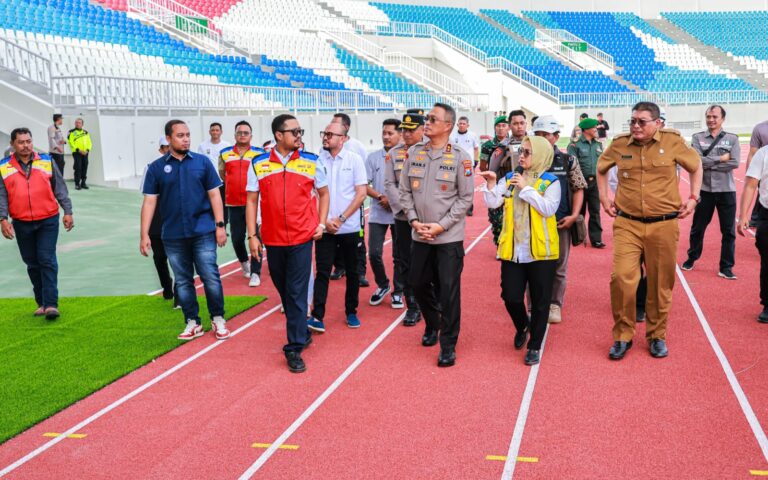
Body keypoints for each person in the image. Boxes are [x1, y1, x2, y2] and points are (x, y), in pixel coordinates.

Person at [597, 101, 702, 360]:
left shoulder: (673, 142)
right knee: (621, 278)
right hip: (627, 223)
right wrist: (603, 197)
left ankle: (656, 335)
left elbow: (696, 166)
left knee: (659, 283)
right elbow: (601, 169)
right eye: (633, 120)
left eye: (642, 121)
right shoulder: (620, 144)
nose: (635, 125)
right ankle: (623, 335)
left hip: (664, 224)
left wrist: (693, 197)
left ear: (658, 123)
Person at [246, 114, 329, 373]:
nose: (299, 136)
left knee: (295, 292)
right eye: (294, 131)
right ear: (278, 135)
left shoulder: (311, 162)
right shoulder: (259, 164)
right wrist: (252, 236)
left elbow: (324, 193)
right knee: (283, 289)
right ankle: (301, 330)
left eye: (300, 131)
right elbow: (251, 200)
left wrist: (322, 223)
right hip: (272, 239)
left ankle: (293, 348)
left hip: (303, 238)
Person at [140, 120, 230, 342]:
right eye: (180, 135)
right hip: (172, 235)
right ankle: (193, 321)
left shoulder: (202, 163)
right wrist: (144, 235)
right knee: (182, 281)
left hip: (203, 232)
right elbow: (149, 202)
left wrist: (220, 225)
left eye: (188, 134)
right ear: (168, 139)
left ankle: (218, 318)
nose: (186, 139)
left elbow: (215, 195)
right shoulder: (156, 168)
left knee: (210, 276)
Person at [399, 102, 474, 367]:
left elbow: (465, 199)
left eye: (432, 119)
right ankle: (433, 322)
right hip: (419, 234)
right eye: (427, 118)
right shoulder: (414, 153)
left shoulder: (462, 157)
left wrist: (441, 226)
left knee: (449, 291)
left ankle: (448, 344)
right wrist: (414, 220)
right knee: (417, 283)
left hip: (447, 238)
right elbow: (404, 191)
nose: (426, 122)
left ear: (448, 126)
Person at [478, 136, 561, 365]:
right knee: (511, 296)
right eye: (521, 151)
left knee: (540, 301)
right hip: (513, 249)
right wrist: (492, 184)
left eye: (527, 152)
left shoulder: (550, 182)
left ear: (542, 155)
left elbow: (548, 209)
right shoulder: (511, 178)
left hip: (541, 252)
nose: (521, 156)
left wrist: (526, 189)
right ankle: (522, 324)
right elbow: (494, 202)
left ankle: (534, 345)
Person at [0, 128, 74, 320]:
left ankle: (51, 304)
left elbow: (60, 188)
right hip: (21, 222)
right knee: (32, 263)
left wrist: (68, 211)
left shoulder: (46, 161)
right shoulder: (3, 166)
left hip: (48, 219)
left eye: (29, 141)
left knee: (46, 259)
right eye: (21, 142)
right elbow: (2, 196)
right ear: (13, 144)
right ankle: (41, 302)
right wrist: (3, 219)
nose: (26, 146)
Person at [307, 121, 367, 333]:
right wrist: (323, 222)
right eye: (324, 133)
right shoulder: (314, 160)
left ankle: (351, 311)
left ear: (344, 138)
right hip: (324, 228)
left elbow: (361, 193)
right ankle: (317, 315)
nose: (326, 137)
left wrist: (340, 219)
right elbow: (311, 194)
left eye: (331, 134)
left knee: (352, 272)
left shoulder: (355, 160)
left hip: (349, 227)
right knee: (322, 272)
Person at [532, 116, 587, 324]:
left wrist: (573, 216)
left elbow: (578, 187)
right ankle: (534, 304)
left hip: (560, 223)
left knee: (559, 268)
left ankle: (555, 304)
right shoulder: (526, 158)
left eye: (546, 135)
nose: (542, 139)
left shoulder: (567, 160)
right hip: (532, 223)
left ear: (556, 137)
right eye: (538, 135)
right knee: (532, 265)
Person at [682, 105, 740, 280]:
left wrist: (708, 162)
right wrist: (721, 158)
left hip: (726, 191)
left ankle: (726, 267)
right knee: (698, 228)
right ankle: (692, 257)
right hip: (704, 190)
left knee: (728, 231)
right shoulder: (697, 138)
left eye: (715, 117)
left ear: (722, 119)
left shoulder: (732, 139)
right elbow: (696, 161)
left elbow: (735, 162)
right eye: (708, 116)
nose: (711, 120)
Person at [384, 110, 425, 327]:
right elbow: (390, 183)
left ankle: (430, 301)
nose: (406, 134)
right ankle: (412, 306)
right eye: (404, 130)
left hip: (426, 217)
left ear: (422, 130)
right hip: (402, 217)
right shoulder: (393, 154)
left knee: (428, 262)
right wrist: (404, 209)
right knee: (405, 262)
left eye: (411, 130)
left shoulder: (430, 151)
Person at [218, 121, 265, 287]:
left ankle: (255, 272)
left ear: (251, 136)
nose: (243, 135)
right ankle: (244, 262)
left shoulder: (259, 153)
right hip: (233, 203)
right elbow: (222, 173)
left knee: (256, 236)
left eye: (246, 133)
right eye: (240, 132)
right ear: (235, 135)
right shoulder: (224, 153)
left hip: (255, 203)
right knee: (237, 239)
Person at [366, 119, 402, 307]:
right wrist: (381, 197)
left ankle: (399, 290)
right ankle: (383, 284)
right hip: (378, 213)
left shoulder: (408, 156)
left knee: (400, 256)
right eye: (384, 133)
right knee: (374, 253)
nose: (386, 136)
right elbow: (364, 185)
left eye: (390, 133)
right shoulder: (372, 158)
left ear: (400, 135)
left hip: (400, 214)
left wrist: (394, 200)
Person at [330, 113, 368, 286]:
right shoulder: (325, 150)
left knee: (358, 239)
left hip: (353, 206)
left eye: (335, 124)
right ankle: (339, 267)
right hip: (332, 204)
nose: (331, 127)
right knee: (333, 237)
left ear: (345, 128)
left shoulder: (357, 147)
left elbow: (364, 176)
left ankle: (360, 272)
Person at [486, 110, 527, 245]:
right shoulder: (502, 147)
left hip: (529, 191)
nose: (519, 126)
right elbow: (492, 172)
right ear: (510, 125)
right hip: (507, 193)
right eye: (515, 123)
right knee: (505, 228)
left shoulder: (535, 143)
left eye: (522, 123)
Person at [738, 144, 768, 323]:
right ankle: (767, 303)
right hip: (766, 213)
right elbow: (750, 185)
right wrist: (743, 216)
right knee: (767, 262)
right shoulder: (763, 154)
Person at [145, 137, 177, 306]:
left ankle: (180, 293)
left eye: (170, 146)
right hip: (157, 219)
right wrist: (144, 233)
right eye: (165, 147)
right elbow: (147, 198)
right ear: (161, 150)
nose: (169, 150)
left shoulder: (184, 166)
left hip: (176, 218)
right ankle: (167, 287)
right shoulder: (151, 168)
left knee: (178, 257)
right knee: (159, 257)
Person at [568, 117, 605, 248]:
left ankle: (596, 239)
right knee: (579, 211)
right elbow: (571, 164)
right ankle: (578, 236)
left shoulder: (598, 144)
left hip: (594, 183)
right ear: (586, 129)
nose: (596, 129)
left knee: (595, 211)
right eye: (594, 127)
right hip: (580, 184)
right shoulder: (575, 145)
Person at [198, 122, 231, 224]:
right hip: (208, 182)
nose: (215, 132)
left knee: (223, 205)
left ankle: (223, 226)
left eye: (217, 130)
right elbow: (200, 164)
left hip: (222, 181)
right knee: (209, 205)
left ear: (221, 132)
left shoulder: (227, 146)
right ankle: (211, 225)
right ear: (209, 132)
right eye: (213, 130)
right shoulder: (202, 146)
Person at [451, 116, 480, 216]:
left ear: (468, 125)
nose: (462, 125)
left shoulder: (472, 135)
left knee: (468, 186)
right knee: (456, 185)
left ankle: (469, 207)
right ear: (457, 125)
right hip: (455, 164)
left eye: (464, 124)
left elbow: (476, 149)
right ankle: (457, 207)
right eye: (460, 123)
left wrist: (476, 160)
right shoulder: (452, 136)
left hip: (468, 165)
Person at [746, 119, 768, 227]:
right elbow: (752, 153)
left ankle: (755, 219)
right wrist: (749, 172)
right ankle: (755, 219)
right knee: (763, 194)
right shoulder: (760, 128)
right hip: (764, 168)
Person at [67, 118, 92, 190]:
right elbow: (71, 142)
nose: (77, 124)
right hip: (77, 153)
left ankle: (83, 183)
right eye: (76, 122)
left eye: (79, 123)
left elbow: (89, 142)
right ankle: (77, 184)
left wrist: (87, 150)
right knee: (78, 167)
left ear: (82, 124)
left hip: (85, 153)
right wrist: (78, 150)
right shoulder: (71, 132)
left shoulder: (86, 132)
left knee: (85, 167)